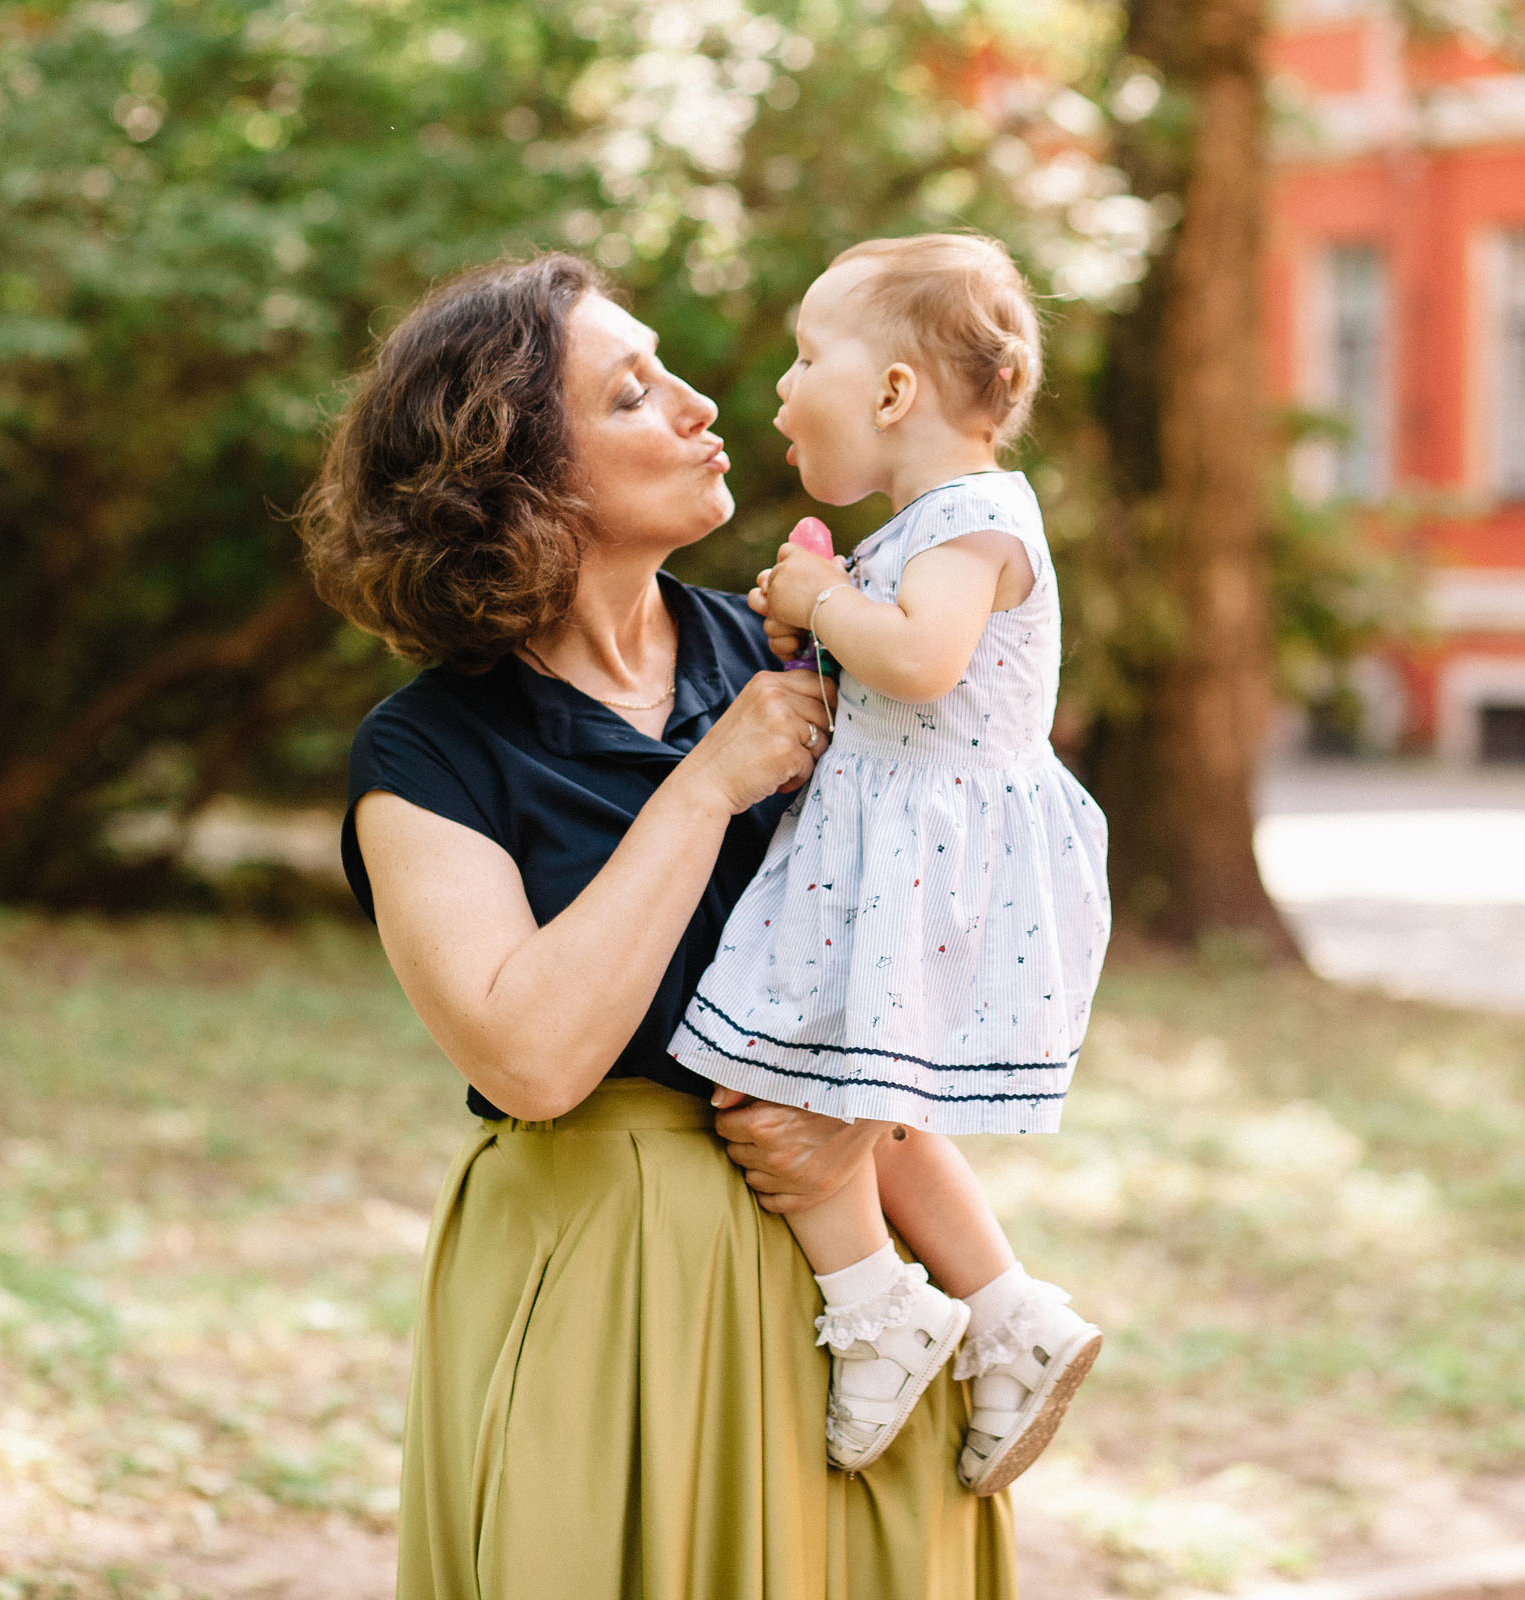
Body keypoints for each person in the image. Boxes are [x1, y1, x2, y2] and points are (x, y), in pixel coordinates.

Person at [306, 253, 1015, 1599]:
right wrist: (710, 785)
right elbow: (533, 1059)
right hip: (608, 1286)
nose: (700, 405)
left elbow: (947, 924)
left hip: (860, 1286)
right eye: (634, 394)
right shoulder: (428, 756)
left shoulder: (797, 652)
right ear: (518, 477)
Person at [666, 235, 1111, 1495]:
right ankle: (1009, 1317)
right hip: (889, 854)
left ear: (895, 394)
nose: (778, 392)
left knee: (778, 1091)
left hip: (933, 868)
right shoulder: (932, 525)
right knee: (862, 1097)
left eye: (808, 359)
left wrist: (819, 601)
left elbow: (921, 662)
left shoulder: (977, 519)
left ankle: (882, 1309)